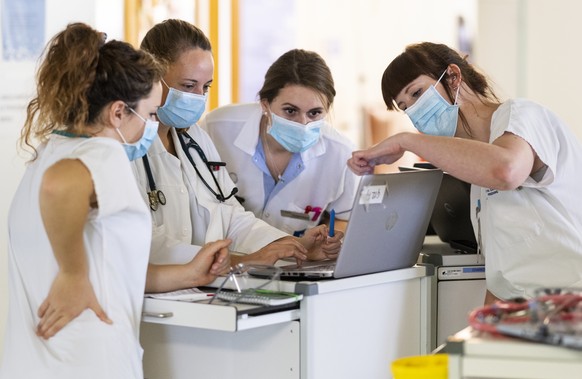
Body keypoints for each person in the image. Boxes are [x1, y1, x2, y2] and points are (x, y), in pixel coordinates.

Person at [1, 23, 230, 378]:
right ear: (119, 112)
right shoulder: (103, 154)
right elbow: (59, 187)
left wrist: (188, 274)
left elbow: (111, 269)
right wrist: (73, 274)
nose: (154, 125)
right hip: (89, 362)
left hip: (32, 363)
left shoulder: (49, 152)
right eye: (151, 114)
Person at [348, 42, 582, 304]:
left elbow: (506, 170)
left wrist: (406, 141)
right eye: (405, 107)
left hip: (569, 305)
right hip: (524, 314)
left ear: (453, 76)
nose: (414, 111)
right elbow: (504, 274)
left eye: (416, 94)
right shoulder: (477, 176)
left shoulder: (523, 115)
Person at [132, 19, 342, 284]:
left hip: (199, 291)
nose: (199, 97)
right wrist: (241, 261)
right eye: (188, 86)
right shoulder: (127, 145)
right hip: (153, 296)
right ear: (152, 78)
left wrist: (290, 245)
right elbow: (145, 242)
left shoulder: (196, 139)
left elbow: (229, 215)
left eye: (205, 87)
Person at [201, 49, 359, 236]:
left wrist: (329, 241)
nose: (303, 123)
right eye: (291, 111)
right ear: (265, 104)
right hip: (225, 257)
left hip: (297, 262)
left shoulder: (341, 154)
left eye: (314, 113)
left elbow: (344, 218)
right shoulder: (216, 128)